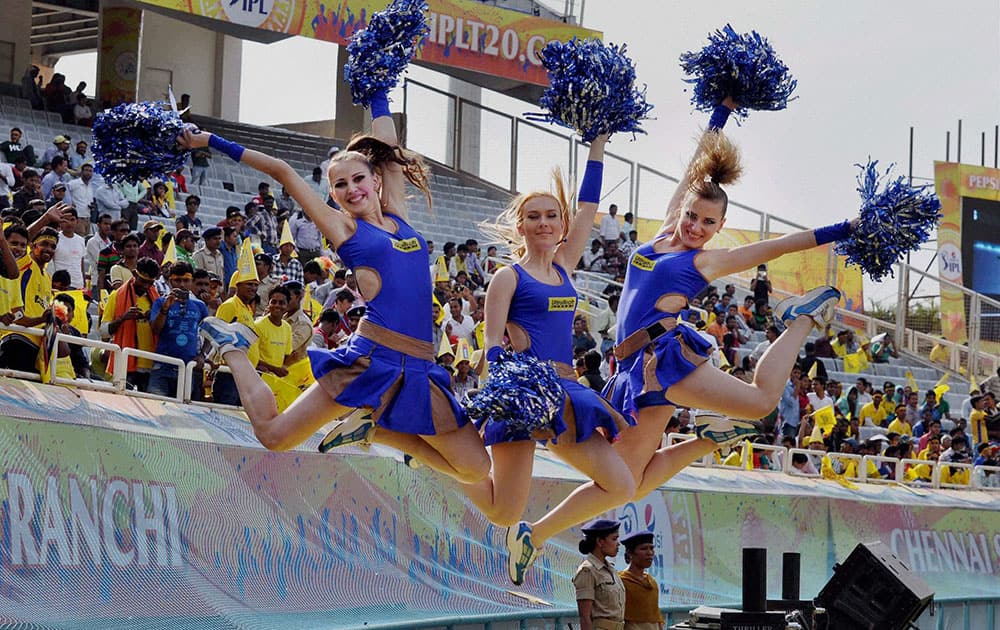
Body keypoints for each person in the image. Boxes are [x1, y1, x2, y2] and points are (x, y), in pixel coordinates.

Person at [183, 83, 490, 484]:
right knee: (274, 436)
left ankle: (372, 428)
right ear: (333, 194)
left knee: (476, 468)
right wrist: (210, 140)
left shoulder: (398, 215)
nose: (352, 189)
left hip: (419, 364)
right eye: (340, 185)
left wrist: (379, 91)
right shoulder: (344, 227)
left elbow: (388, 145)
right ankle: (234, 349)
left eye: (358, 178)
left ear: (376, 179)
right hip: (370, 359)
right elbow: (281, 170)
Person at [599, 101, 843, 518]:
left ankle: (801, 319)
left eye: (707, 223)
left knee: (763, 400)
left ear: (719, 227)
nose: (695, 227)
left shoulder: (704, 261)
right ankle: (710, 437)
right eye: (691, 216)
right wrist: (720, 113)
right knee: (630, 484)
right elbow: (693, 170)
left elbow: (779, 245)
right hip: (630, 367)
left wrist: (845, 230)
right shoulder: (660, 235)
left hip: (660, 361)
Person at [468, 135, 634, 585]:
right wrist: (509, 388)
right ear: (519, 226)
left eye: (551, 215)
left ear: (561, 225)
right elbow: (492, 344)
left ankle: (534, 537)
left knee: (620, 484)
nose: (544, 222)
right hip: (524, 394)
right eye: (533, 216)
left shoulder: (565, 265)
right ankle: (440, 459)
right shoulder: (508, 276)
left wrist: (598, 144)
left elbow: (587, 207)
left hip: (566, 391)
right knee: (504, 508)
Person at [149, 262, 209, 399]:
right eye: (177, 280)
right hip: (162, 366)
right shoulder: (160, 302)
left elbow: (210, 335)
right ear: (170, 281)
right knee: (157, 407)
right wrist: (164, 309)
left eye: (186, 280)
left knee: (184, 413)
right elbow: (155, 330)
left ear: (192, 281)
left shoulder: (199, 306)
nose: (182, 284)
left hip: (188, 369)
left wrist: (202, 355)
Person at [574, 519, 625, 630]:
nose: (618, 543)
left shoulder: (610, 569)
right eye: (614, 539)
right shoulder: (587, 571)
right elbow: (585, 617)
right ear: (600, 542)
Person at [619, 531, 665, 630]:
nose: (649, 553)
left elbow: (656, 617)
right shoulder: (621, 581)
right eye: (643, 549)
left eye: (651, 548)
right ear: (630, 553)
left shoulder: (651, 582)